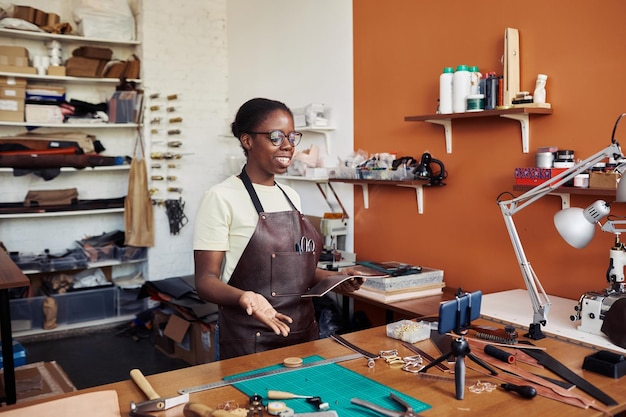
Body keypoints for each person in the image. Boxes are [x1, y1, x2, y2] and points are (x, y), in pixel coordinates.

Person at [193, 97, 363, 360]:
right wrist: (245, 297)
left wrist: (334, 281)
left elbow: (294, 270)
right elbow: (205, 282)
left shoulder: (290, 197)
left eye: (292, 137)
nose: (287, 146)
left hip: (302, 335)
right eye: (275, 137)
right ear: (247, 140)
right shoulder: (221, 197)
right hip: (248, 340)